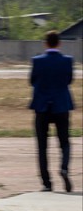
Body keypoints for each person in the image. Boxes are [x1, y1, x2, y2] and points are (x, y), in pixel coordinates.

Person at [29, 30, 74, 193]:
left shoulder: (37, 61)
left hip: (42, 106)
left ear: (45, 43)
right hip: (61, 105)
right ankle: (64, 168)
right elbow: (69, 80)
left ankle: (47, 183)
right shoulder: (67, 61)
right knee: (65, 142)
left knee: (42, 146)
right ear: (59, 43)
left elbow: (32, 81)